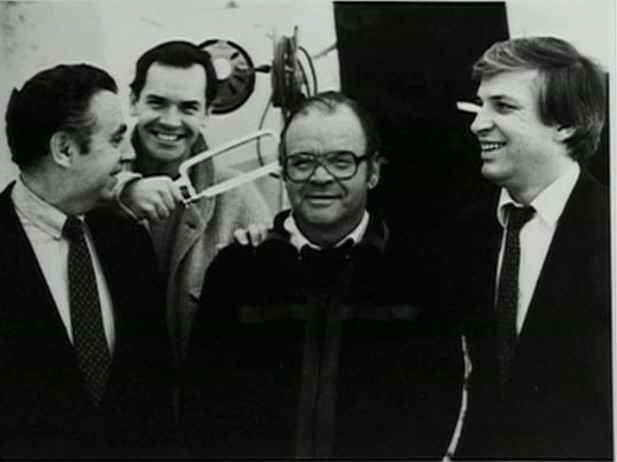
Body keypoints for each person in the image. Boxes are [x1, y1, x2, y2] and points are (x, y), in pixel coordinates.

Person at [181, 91, 464, 459]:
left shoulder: (418, 274)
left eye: (341, 161)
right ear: (283, 171)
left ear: (373, 172)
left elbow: (436, 407)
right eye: (302, 162)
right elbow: (202, 404)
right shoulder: (237, 270)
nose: (320, 177)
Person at [0, 64, 176, 458]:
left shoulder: (128, 239)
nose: (130, 154)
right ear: (64, 149)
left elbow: (155, 395)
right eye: (116, 140)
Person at [452, 37, 611, 459]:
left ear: (566, 123)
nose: (477, 124)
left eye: (503, 107)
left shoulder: (607, 228)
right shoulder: (466, 232)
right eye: (480, 105)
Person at [117, 40, 272, 362]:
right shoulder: (96, 185)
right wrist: (121, 192)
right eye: (157, 103)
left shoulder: (238, 196)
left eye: (188, 108)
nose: (171, 121)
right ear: (133, 101)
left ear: (207, 113)